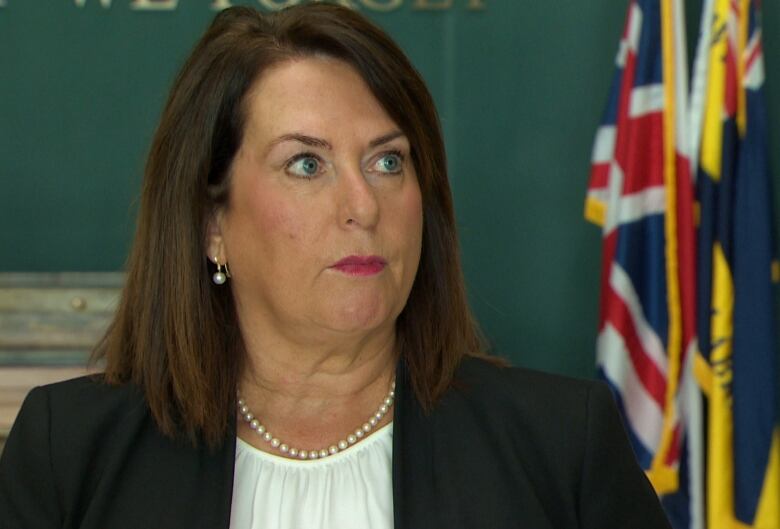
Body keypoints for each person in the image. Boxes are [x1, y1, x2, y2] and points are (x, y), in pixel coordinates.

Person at [0, 4, 672, 529]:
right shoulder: (72, 451)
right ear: (211, 223)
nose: (363, 204)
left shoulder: (560, 444)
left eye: (388, 161)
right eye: (305, 164)